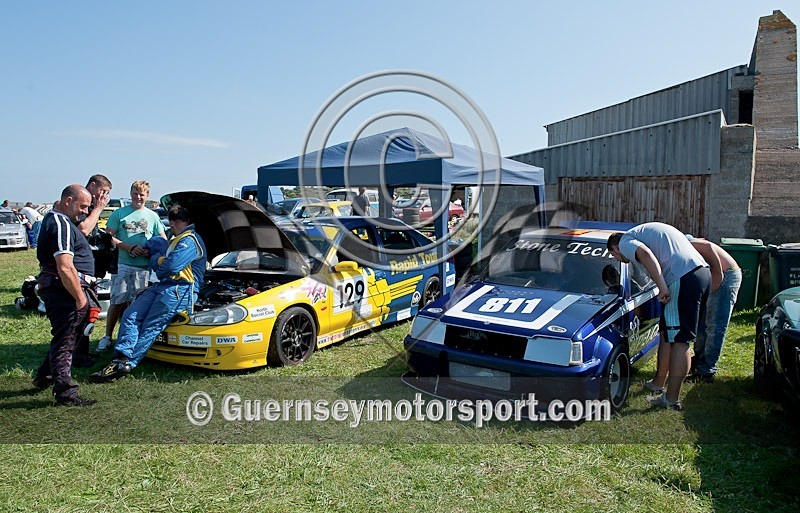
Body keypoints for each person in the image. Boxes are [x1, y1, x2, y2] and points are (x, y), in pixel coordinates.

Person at [607, 222, 719, 410]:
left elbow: (645, 255)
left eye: (614, 255)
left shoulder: (626, 240)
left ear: (616, 247)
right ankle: (658, 383)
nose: (618, 259)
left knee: (680, 341)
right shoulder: (646, 232)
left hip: (682, 277)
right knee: (668, 334)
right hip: (700, 273)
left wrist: (662, 286)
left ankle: (671, 399)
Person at [92, 204, 206, 381]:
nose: (170, 227)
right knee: (130, 314)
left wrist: (155, 260)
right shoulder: (176, 238)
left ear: (175, 222)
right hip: (163, 286)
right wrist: (161, 261)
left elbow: (171, 266)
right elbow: (167, 265)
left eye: (171, 223)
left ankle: (128, 362)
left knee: (150, 325)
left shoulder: (189, 240)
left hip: (179, 289)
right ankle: (121, 356)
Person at [32, 184, 98, 406]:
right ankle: (65, 394)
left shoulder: (60, 222)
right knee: (66, 341)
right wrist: (80, 298)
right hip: (64, 290)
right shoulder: (61, 224)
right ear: (68, 200)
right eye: (82, 206)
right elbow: (65, 266)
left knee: (66, 336)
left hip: (64, 288)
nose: (85, 212)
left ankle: (45, 375)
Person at [96, 180, 166, 352]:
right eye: (135, 193)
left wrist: (150, 251)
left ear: (147, 196)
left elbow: (163, 239)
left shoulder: (153, 216)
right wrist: (128, 247)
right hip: (122, 264)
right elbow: (108, 236)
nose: (138, 197)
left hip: (144, 267)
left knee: (137, 304)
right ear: (130, 194)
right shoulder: (119, 214)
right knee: (117, 300)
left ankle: (131, 337)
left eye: (142, 194)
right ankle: (107, 337)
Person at [68, 174, 112, 366]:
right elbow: (83, 230)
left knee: (89, 313)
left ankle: (82, 351)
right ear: (92, 186)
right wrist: (98, 209)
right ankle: (76, 355)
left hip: (90, 272)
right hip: (76, 272)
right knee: (79, 313)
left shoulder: (90, 209)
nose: (103, 197)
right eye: (103, 192)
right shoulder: (80, 209)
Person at [687, 237, 742, 383]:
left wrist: (718, 273)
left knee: (715, 326)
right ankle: (699, 362)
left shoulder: (685, 243)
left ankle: (707, 371)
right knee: (702, 325)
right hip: (713, 275)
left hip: (726, 276)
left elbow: (707, 246)